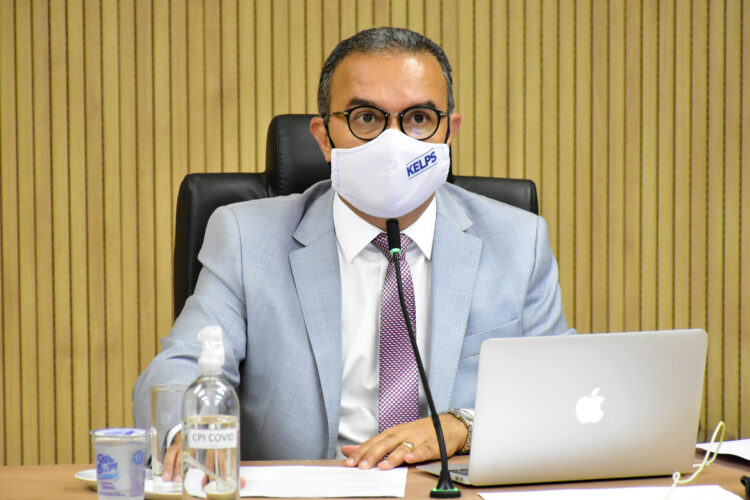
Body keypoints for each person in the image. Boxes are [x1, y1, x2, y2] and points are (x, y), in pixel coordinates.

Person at [133, 26, 574, 481]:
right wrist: (190, 432)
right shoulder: (248, 238)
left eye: (419, 118)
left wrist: (463, 426)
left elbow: (560, 390)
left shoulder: (518, 242)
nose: (393, 142)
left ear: (449, 132)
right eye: (366, 118)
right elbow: (180, 367)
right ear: (324, 137)